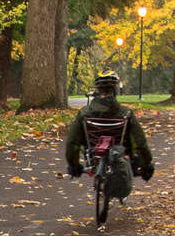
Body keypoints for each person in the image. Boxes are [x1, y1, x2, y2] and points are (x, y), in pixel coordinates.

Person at [64, 72, 155, 201]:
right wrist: (147, 165)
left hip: (93, 150)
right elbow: (140, 143)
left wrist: (73, 165)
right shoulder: (126, 113)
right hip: (120, 151)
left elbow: (72, 142)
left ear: (97, 89)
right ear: (115, 89)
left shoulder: (84, 113)